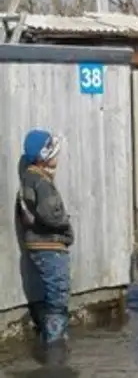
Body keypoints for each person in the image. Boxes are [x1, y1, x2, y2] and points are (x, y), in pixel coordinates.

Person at [16, 129, 73, 346]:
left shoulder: (29, 178)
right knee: (58, 295)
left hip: (39, 245)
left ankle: (51, 337)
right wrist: (65, 223)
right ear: (44, 157)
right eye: (54, 154)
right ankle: (55, 347)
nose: (57, 158)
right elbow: (51, 213)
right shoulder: (40, 182)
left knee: (51, 293)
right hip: (50, 245)